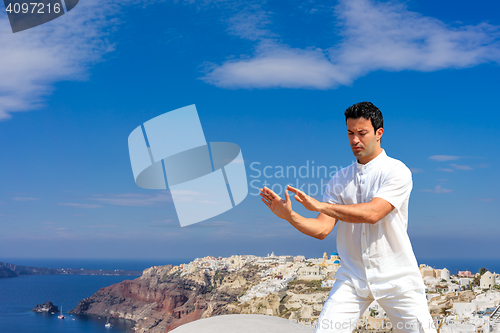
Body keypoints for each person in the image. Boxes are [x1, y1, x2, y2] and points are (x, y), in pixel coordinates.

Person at [260, 102, 436, 333]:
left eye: (362, 133)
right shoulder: (339, 179)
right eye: (350, 133)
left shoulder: (397, 171)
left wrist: (321, 205)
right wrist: (290, 216)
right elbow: (322, 229)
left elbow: (374, 213)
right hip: (352, 278)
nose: (355, 140)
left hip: (398, 278)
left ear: (379, 133)